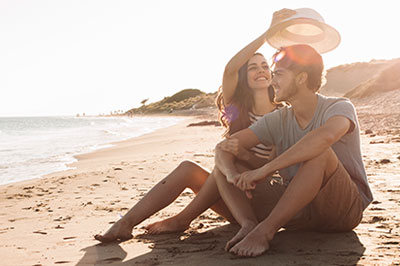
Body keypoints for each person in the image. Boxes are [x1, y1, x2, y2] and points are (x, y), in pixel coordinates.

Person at [94, 29, 279, 243]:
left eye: (265, 66)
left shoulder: (281, 114)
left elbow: (274, 168)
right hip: (231, 198)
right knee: (187, 169)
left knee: (228, 164)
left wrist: (244, 157)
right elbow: (230, 70)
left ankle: (183, 219)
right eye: (252, 68)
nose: (261, 71)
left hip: (257, 201)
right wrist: (270, 32)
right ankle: (124, 224)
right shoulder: (237, 109)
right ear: (243, 77)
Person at [213, 44, 373, 257]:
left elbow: (324, 138)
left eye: (278, 74)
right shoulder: (278, 118)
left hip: (341, 210)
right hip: (297, 210)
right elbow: (223, 148)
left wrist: (266, 170)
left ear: (301, 78)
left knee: (321, 153)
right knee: (226, 167)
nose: (272, 80)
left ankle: (266, 231)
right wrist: (233, 175)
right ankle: (249, 224)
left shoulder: (339, 107)